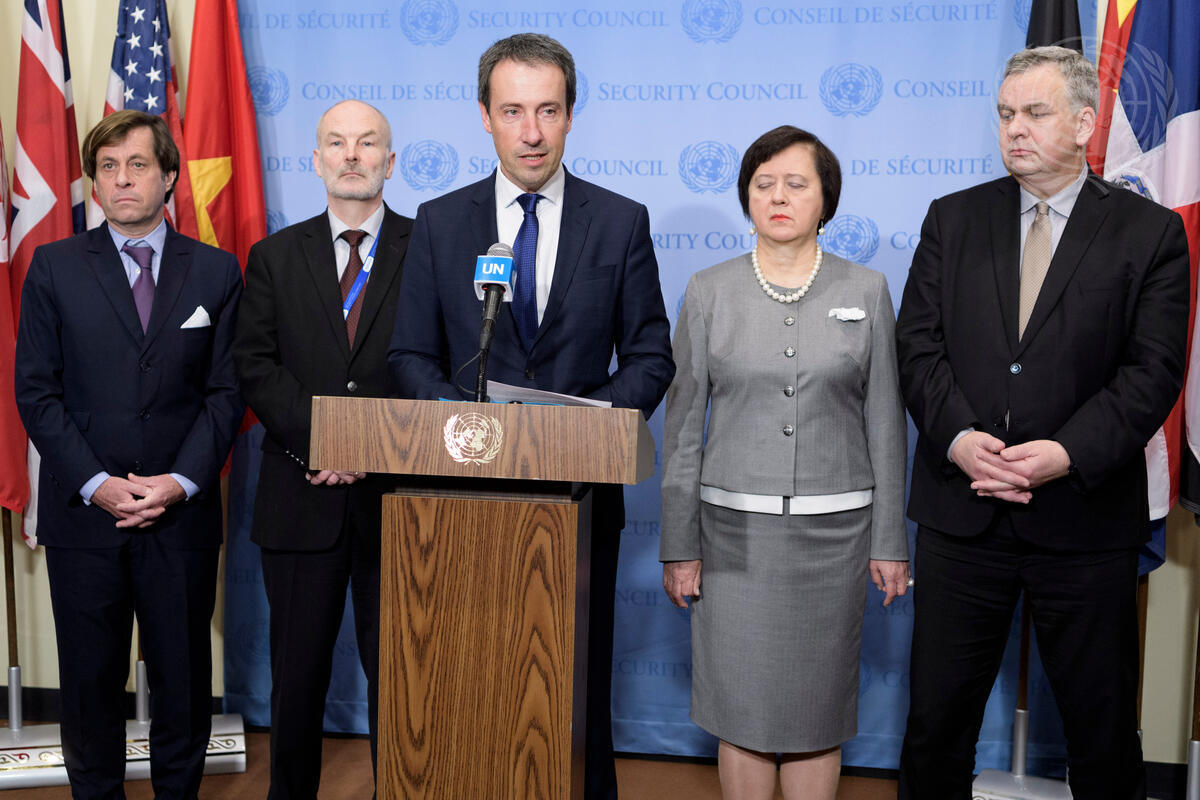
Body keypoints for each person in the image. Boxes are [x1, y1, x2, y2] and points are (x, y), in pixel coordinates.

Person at [895, 46, 1190, 799]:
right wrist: (960, 440)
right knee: (935, 731)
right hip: (963, 516)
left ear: (1085, 123)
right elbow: (918, 347)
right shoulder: (953, 218)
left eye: (1034, 113)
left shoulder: (1150, 233)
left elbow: (1152, 373)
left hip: (1084, 521)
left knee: (1101, 736)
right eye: (1004, 114)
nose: (1014, 129)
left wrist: (1064, 452)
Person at [387, 32, 674, 799]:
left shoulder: (619, 221)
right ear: (484, 116)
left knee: (573, 687)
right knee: (465, 682)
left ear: (571, 115)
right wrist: (467, 428)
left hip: (580, 499)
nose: (532, 131)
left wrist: (580, 424)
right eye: (513, 111)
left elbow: (651, 357)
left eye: (548, 110)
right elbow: (409, 354)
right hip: (461, 502)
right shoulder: (439, 222)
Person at [659, 125, 909, 800]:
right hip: (732, 542)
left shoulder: (869, 288)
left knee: (816, 717)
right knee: (739, 712)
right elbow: (681, 431)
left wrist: (890, 541)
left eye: (796, 184)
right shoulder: (708, 291)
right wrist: (680, 545)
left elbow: (886, 424)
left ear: (826, 198)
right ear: (746, 197)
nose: (778, 196)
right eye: (763, 184)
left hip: (837, 541)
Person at [13, 109, 243, 799]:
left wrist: (179, 482)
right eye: (108, 168)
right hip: (86, 517)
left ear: (168, 176)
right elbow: (36, 394)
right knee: (89, 686)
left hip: (180, 517)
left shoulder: (216, 271)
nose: (121, 180)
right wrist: (97, 483)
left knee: (183, 682)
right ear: (94, 181)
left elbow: (228, 393)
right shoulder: (54, 267)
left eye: (137, 165)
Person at [233, 99, 413, 799]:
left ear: (389, 161)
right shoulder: (274, 257)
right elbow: (256, 367)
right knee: (297, 682)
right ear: (316, 160)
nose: (352, 155)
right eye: (336, 143)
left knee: (405, 684)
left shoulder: (430, 250)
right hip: (299, 499)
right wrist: (325, 442)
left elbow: (441, 366)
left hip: (399, 506)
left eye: (367, 143)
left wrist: (371, 447)